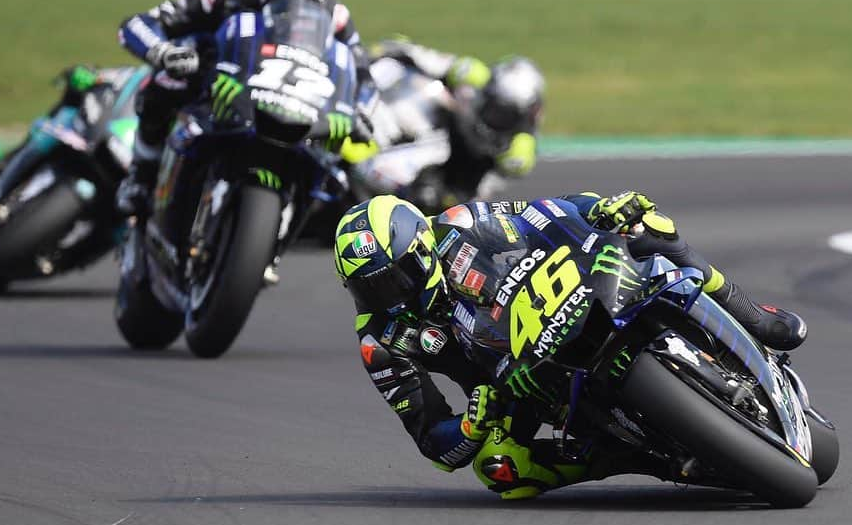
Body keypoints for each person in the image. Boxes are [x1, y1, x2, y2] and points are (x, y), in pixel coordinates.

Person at [332, 191, 807, 500]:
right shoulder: (381, 340)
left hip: (569, 297)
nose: (390, 296)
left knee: (647, 229)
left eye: (396, 279)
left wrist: (601, 210)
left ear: (421, 249)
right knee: (502, 473)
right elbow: (435, 443)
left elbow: (553, 212)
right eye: (370, 290)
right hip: (513, 384)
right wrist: (473, 424)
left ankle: (751, 316)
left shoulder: (462, 224)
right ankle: (641, 461)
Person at [115, 0, 370, 216]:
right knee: (162, 84)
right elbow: (137, 25)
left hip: (291, 100)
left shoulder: (330, 12)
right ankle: (141, 174)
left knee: (339, 166)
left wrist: (360, 109)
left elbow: (359, 67)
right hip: (216, 82)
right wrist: (166, 52)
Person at [351, 38, 544, 213]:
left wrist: (445, 197)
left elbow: (480, 194)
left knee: (431, 198)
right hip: (429, 118)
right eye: (490, 100)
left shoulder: (519, 149)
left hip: (441, 167)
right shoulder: (472, 73)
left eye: (502, 112)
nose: (491, 112)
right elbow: (411, 51)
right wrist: (380, 54)